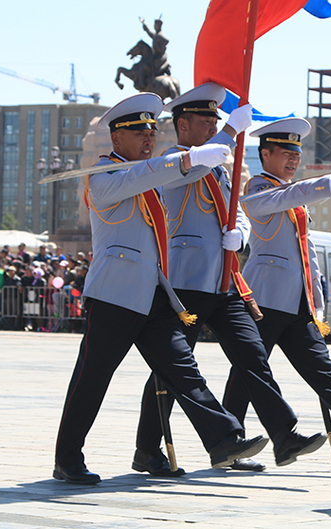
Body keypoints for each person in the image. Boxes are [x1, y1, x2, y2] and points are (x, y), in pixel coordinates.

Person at [53, 93, 268, 485]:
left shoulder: (151, 174)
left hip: (153, 294)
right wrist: (196, 153)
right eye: (138, 131)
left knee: (183, 371)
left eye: (152, 131)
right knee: (93, 378)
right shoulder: (105, 175)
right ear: (116, 138)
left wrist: (225, 139)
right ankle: (68, 457)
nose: (148, 138)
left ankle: (223, 439)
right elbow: (151, 172)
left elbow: (175, 171)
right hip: (115, 296)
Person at [134, 83, 325, 476]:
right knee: (173, 371)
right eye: (206, 122)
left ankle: (283, 435)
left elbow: (236, 210)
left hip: (224, 280)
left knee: (253, 356)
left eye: (215, 122)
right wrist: (229, 134)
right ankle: (147, 450)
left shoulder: (222, 166)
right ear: (183, 125)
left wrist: (241, 233)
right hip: (184, 282)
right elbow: (189, 170)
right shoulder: (174, 159)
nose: (212, 127)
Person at [225, 117, 331, 461]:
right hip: (265, 298)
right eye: (285, 152)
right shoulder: (259, 191)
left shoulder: (290, 196)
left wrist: (315, 299)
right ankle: (231, 441)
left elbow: (306, 252)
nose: (293, 159)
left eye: (296, 153)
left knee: (321, 369)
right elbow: (291, 194)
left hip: (297, 302)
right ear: (266, 154)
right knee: (249, 371)